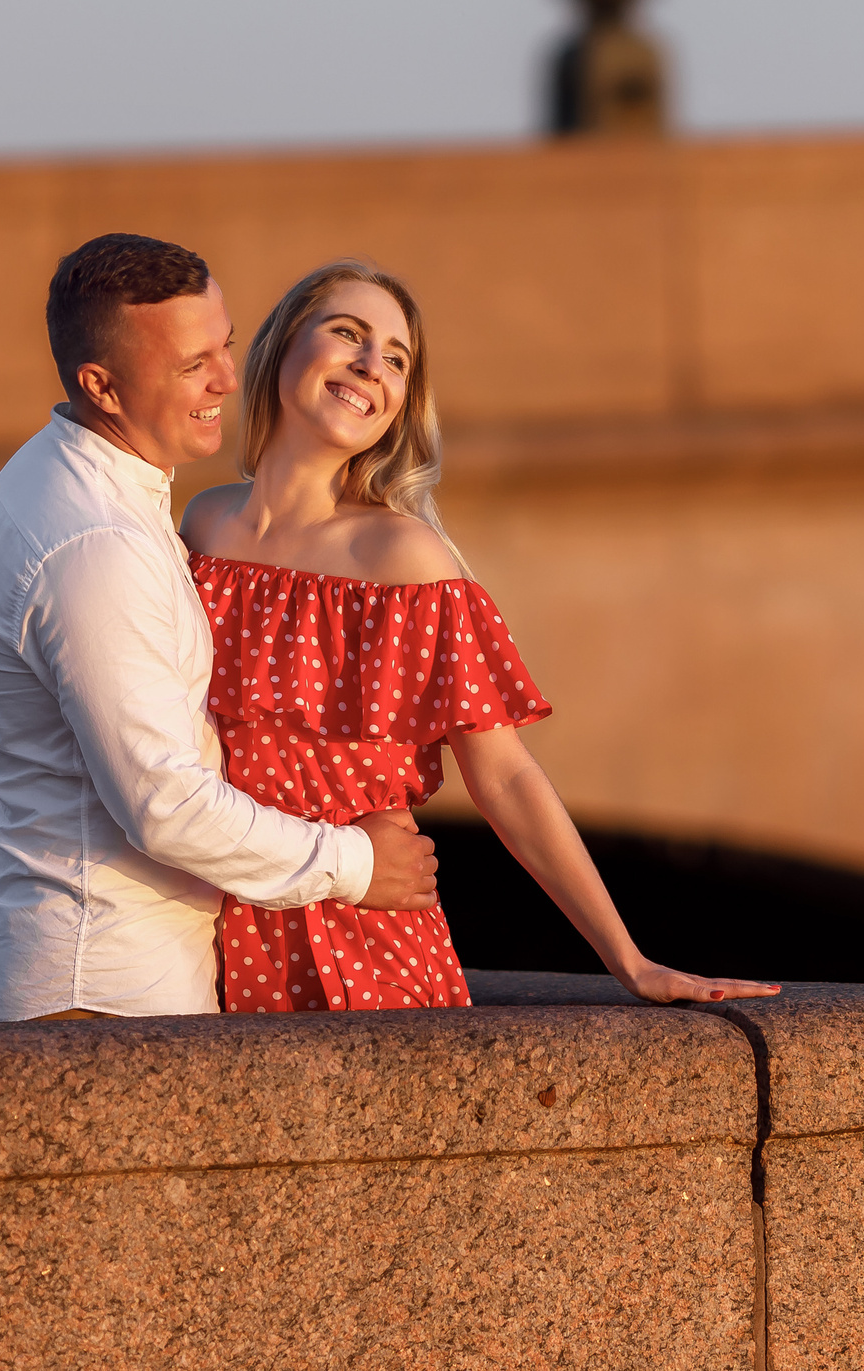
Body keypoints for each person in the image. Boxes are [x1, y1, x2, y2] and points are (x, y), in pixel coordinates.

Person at [178, 259, 777, 1010]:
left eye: (396, 358)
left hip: (357, 940)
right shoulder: (203, 525)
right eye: (348, 333)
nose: (372, 364)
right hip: (204, 927)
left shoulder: (402, 560)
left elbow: (504, 776)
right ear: (280, 348)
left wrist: (630, 960)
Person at [0, 235, 439, 1023]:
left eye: (226, 344)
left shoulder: (77, 482)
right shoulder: (98, 541)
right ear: (100, 384)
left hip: (77, 977)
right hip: (91, 997)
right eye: (190, 364)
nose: (226, 380)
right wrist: (356, 862)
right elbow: (163, 803)